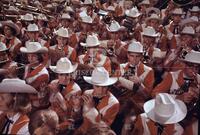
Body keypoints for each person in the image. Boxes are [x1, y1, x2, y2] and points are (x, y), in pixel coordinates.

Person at [77, 67, 119, 134]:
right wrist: (76, 107)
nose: (100, 91)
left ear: (108, 86)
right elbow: (79, 117)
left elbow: (104, 127)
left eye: (104, 87)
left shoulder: (114, 103)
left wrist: (92, 108)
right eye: (97, 86)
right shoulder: (87, 93)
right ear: (92, 85)